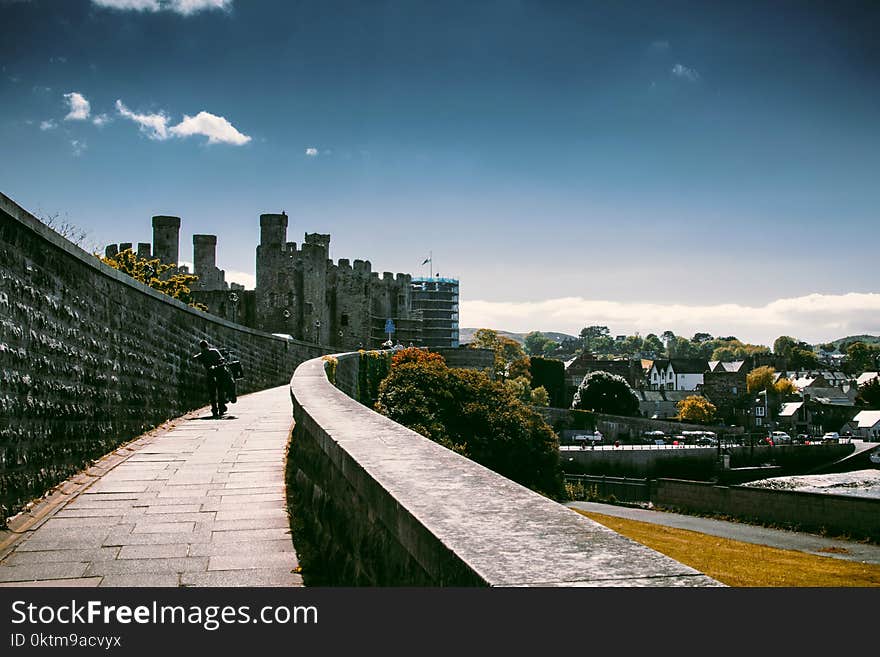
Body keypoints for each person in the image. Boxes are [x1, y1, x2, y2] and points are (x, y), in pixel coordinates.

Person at [193, 339, 228, 418]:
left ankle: (214, 410)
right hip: (219, 373)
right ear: (207, 345)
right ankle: (221, 408)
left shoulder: (202, 354)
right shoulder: (214, 351)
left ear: (201, 347)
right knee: (220, 391)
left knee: (212, 393)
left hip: (210, 374)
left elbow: (195, 357)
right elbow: (222, 359)